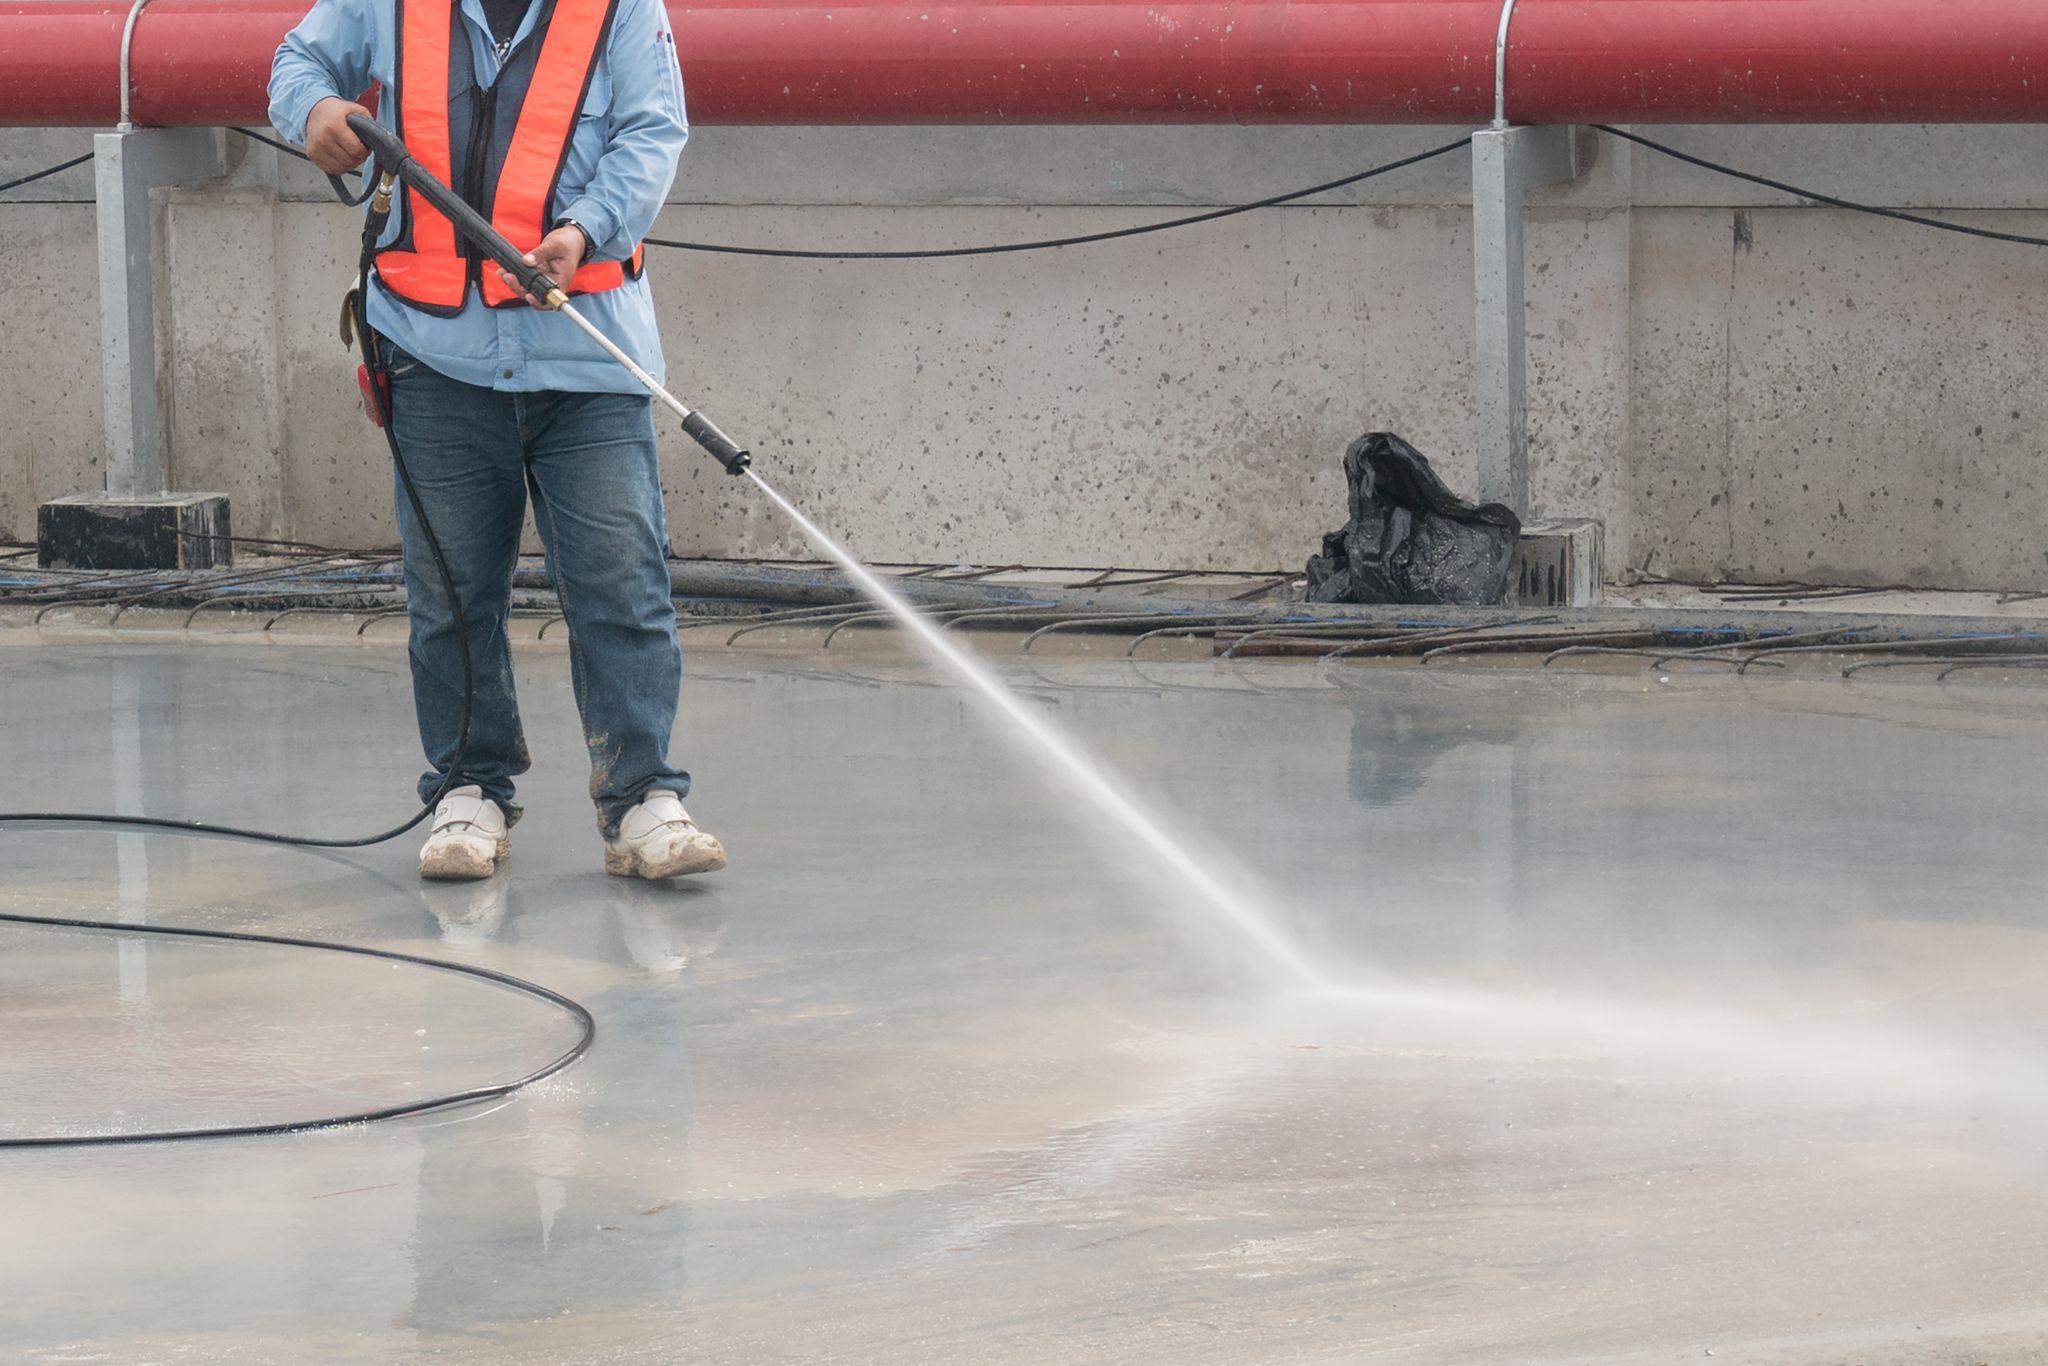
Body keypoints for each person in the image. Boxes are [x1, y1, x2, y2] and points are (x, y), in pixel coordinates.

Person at [269, 0, 726, 882]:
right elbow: (298, 62)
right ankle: (468, 789)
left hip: (586, 361)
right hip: (434, 355)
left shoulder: (623, 7)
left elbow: (651, 133)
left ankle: (640, 798)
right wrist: (316, 110)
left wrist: (584, 228)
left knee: (622, 588)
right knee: (450, 596)